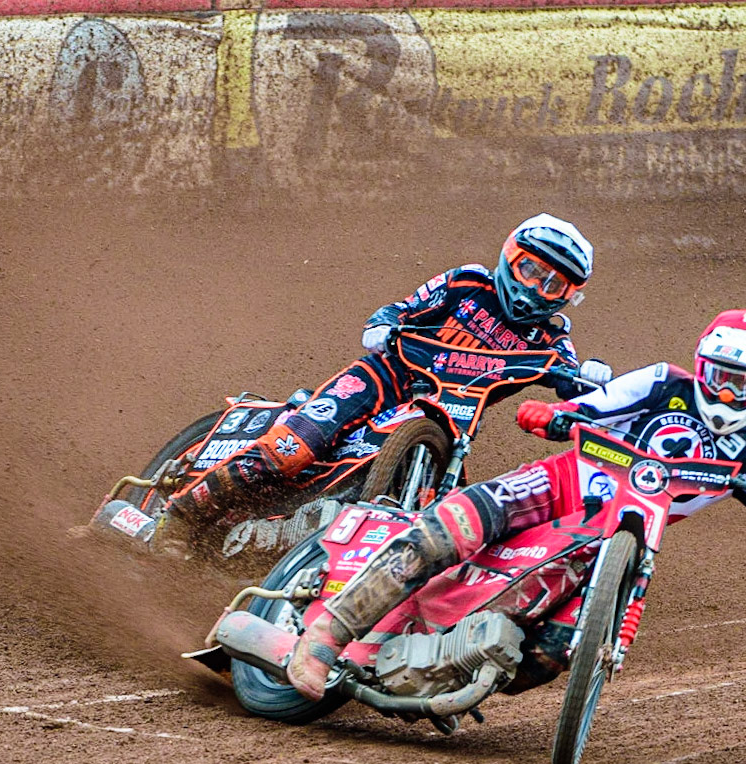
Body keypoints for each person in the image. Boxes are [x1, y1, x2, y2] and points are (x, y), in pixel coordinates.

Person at [286, 307, 746, 701]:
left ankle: (445, 664)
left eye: (742, 384)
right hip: (558, 484)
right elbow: (593, 405)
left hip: (608, 540)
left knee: (545, 658)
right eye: (718, 377)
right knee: (449, 530)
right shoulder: (663, 382)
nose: (725, 394)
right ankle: (326, 635)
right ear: (701, 365)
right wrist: (554, 414)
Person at [158, 214, 613, 543]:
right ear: (509, 258)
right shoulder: (467, 283)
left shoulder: (550, 339)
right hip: (380, 380)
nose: (535, 288)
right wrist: (383, 324)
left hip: (447, 428)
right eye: (530, 270)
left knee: (456, 521)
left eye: (552, 284)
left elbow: (573, 384)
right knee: (292, 451)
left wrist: (593, 379)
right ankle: (179, 517)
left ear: (568, 296)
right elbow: (403, 308)